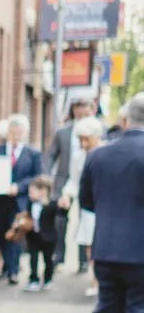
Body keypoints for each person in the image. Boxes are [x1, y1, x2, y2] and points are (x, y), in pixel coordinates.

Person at [79, 92, 144, 313]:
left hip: (106, 248)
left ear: (125, 119)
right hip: (141, 252)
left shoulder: (99, 155)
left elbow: (87, 201)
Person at [0, 113, 44, 284]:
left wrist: (20, 187)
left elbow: (37, 176)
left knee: (15, 233)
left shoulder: (33, 154)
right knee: (1, 232)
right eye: (12, 132)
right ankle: (7, 265)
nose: (15, 135)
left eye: (19, 132)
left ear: (24, 133)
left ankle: (13, 271)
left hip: (20, 201)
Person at [48, 94, 97, 267]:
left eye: (85, 107)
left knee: (87, 219)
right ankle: (59, 255)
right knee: (60, 220)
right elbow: (51, 155)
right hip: (66, 180)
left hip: (90, 182)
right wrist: (47, 176)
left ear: (92, 110)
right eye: (77, 107)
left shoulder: (99, 131)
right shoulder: (63, 132)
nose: (81, 111)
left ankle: (84, 260)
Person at [60, 115, 107, 280]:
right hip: (88, 206)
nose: (83, 144)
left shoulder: (107, 153)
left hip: (106, 205)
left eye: (87, 139)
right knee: (88, 242)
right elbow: (74, 181)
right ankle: (94, 278)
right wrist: (66, 195)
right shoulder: (78, 156)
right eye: (80, 139)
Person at [17, 175, 65, 291]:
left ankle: (48, 279)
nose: (30, 194)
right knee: (33, 258)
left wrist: (64, 207)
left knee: (48, 259)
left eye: (32, 192)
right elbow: (27, 215)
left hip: (48, 238)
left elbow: (61, 213)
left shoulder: (51, 204)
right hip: (33, 235)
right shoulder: (30, 203)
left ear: (43, 192)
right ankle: (34, 279)